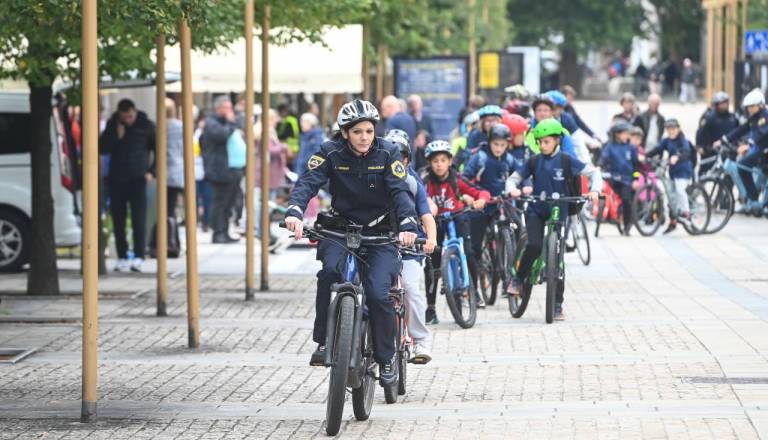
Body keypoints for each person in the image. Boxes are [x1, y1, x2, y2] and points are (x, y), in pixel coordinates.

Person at [284, 99, 418, 386]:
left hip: (381, 232)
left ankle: (386, 358)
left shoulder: (388, 152)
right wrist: (294, 211)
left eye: (369, 131)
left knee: (379, 293)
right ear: (345, 132)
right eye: (357, 132)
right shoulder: (328, 152)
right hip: (340, 228)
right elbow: (308, 183)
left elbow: (400, 192)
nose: (364, 137)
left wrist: (407, 224)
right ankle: (323, 342)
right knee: (329, 274)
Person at [506, 119, 601, 320]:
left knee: (558, 260)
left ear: (557, 140)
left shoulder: (567, 160)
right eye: (540, 142)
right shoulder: (534, 160)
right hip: (537, 210)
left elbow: (593, 173)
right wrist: (512, 189)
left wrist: (594, 190)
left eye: (547, 141)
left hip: (559, 211)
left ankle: (557, 305)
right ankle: (518, 279)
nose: (542, 145)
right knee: (533, 244)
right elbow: (513, 178)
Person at [384, 129, 437, 364]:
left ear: (407, 159)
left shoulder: (413, 183)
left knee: (410, 289)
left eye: (401, 157)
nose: (396, 162)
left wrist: (431, 240)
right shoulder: (375, 180)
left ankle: (419, 340)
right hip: (381, 246)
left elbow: (426, 215)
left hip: (410, 250)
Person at [422, 140, 490, 324]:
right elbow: (415, 198)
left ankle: (473, 290)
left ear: (450, 161)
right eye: (435, 161)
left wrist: (480, 201)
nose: (439, 164)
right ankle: (431, 308)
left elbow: (481, 192)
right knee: (432, 265)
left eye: (443, 160)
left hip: (459, 219)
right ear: (430, 163)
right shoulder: (425, 182)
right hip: (436, 224)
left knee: (469, 253)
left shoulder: (457, 179)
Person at [99, 98, 156, 272]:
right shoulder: (113, 125)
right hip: (117, 179)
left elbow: (158, 149)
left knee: (139, 218)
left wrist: (151, 172)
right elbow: (103, 148)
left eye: (130, 116)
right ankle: (122, 256)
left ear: (134, 111)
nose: (128, 120)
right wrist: (118, 135)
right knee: (118, 219)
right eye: (125, 117)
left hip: (138, 178)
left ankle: (139, 255)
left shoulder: (146, 125)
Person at [463, 124, 517, 303]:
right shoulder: (480, 157)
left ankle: (509, 272)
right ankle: (473, 289)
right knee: (474, 248)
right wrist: (471, 196)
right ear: (490, 143)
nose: (499, 149)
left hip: (502, 204)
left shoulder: (509, 159)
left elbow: (521, 174)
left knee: (518, 230)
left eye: (503, 145)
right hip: (481, 206)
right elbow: (465, 177)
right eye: (496, 145)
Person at [715, 88, 768, 215]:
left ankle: (756, 199)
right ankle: (754, 200)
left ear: (760, 104)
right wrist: (724, 139)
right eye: (748, 107)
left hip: (764, 151)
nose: (749, 109)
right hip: (762, 152)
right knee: (750, 169)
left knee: (744, 165)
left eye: (751, 106)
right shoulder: (755, 117)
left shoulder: (764, 116)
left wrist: (749, 145)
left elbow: (761, 133)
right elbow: (741, 129)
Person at [201, 96, 243, 244]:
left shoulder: (225, 122)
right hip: (219, 170)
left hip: (231, 169)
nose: (230, 111)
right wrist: (231, 122)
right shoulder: (211, 123)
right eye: (227, 108)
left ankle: (224, 231)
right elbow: (222, 135)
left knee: (228, 203)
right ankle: (218, 233)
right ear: (218, 108)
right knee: (220, 203)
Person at [249, 109, 290, 250]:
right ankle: (263, 232)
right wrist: (283, 147)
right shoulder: (263, 132)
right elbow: (270, 151)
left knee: (267, 205)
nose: (277, 121)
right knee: (267, 205)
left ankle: (265, 231)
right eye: (275, 119)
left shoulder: (263, 131)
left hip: (269, 174)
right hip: (267, 174)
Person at [646, 118, 696, 233]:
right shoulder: (666, 141)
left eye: (673, 129)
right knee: (671, 196)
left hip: (684, 170)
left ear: (678, 129)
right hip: (673, 172)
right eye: (668, 129)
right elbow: (657, 149)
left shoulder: (682, 140)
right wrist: (646, 155)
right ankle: (673, 221)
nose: (671, 131)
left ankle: (686, 213)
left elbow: (686, 151)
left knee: (679, 190)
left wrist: (677, 157)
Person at [599, 122, 639, 235]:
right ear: (617, 134)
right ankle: (609, 215)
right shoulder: (610, 146)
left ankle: (627, 226)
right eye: (625, 133)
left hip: (627, 180)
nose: (627, 135)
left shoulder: (631, 148)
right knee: (608, 195)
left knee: (627, 200)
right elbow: (603, 158)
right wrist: (599, 166)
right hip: (613, 178)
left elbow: (636, 166)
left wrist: (635, 179)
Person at [696, 91, 739, 175]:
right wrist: (700, 146)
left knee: (728, 176)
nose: (724, 105)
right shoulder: (708, 118)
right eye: (721, 103)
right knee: (703, 174)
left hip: (729, 151)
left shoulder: (733, 118)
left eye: (726, 102)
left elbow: (739, 132)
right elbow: (700, 132)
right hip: (711, 151)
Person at [164, 98, 184, 220]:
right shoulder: (180, 126)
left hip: (165, 170)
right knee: (172, 205)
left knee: (167, 206)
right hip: (179, 168)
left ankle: (169, 234)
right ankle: (173, 234)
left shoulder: (160, 126)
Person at [294, 112, 325, 176]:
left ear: (310, 123)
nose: (301, 124)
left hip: (309, 173)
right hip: (300, 171)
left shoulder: (317, 136)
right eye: (301, 121)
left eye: (303, 122)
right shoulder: (303, 136)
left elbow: (317, 154)